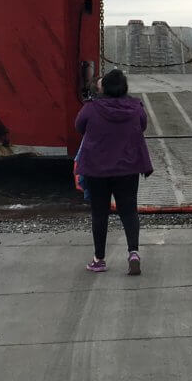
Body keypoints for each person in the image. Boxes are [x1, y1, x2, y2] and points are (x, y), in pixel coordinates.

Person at [75, 69, 153, 274]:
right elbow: (142, 125)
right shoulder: (136, 107)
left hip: (97, 168)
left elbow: (79, 126)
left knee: (100, 213)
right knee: (128, 211)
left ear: (104, 87)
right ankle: (133, 252)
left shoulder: (91, 108)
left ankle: (99, 259)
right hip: (128, 167)